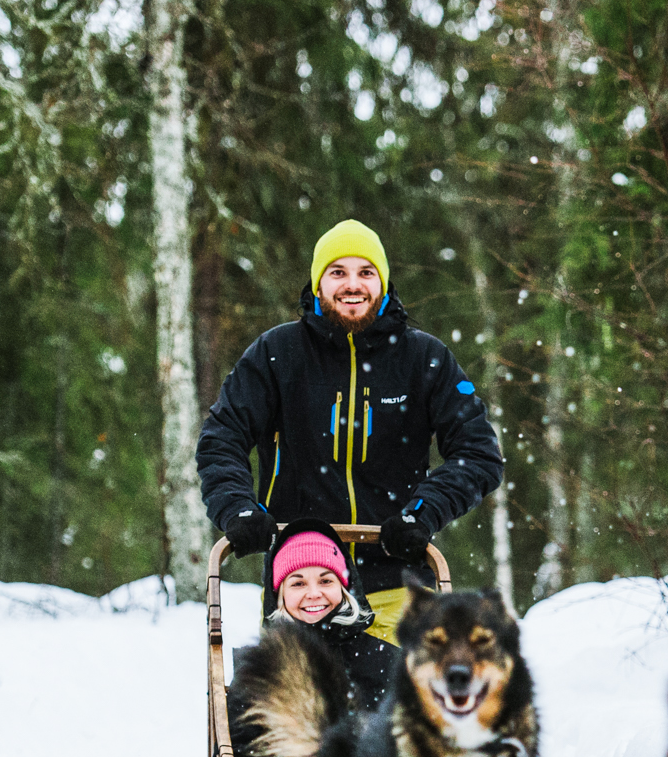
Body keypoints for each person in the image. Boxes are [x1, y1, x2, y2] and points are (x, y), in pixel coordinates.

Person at [196, 218, 503, 645]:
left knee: (400, 708)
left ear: (384, 281)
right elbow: (221, 438)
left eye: (366, 272)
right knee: (298, 707)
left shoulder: (424, 358)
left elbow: (479, 453)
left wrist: (422, 512)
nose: (352, 285)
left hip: (398, 578)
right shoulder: (276, 354)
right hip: (302, 581)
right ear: (318, 283)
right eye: (337, 272)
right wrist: (238, 509)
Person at [203, 518, 397, 757]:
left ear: (344, 587)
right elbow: (248, 751)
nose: (314, 593)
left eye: (326, 580)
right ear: (280, 594)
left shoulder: (383, 658)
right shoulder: (264, 667)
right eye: (298, 583)